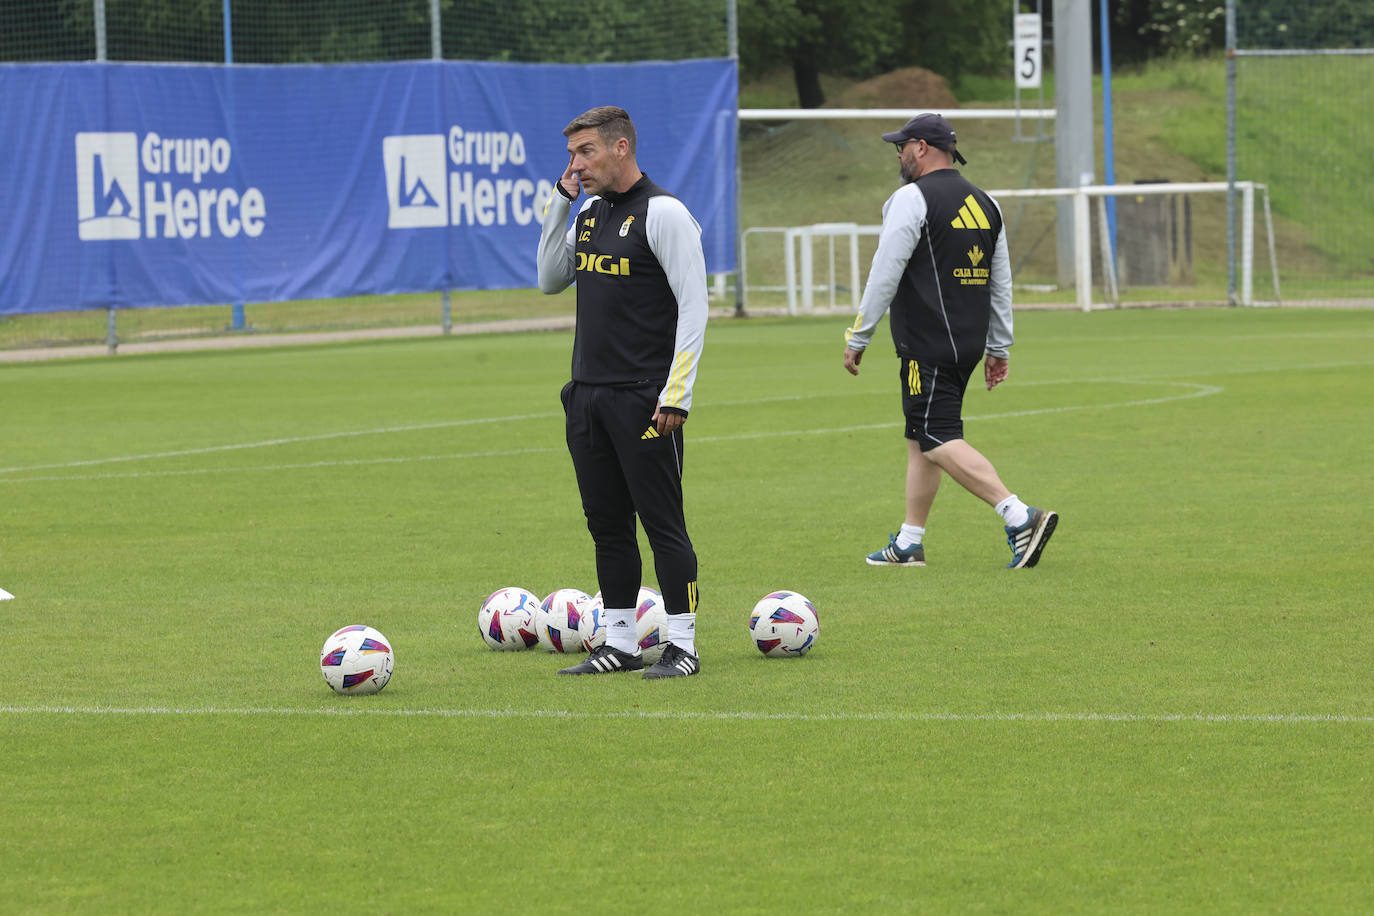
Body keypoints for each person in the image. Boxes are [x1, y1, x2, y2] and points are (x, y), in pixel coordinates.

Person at [841, 113, 1058, 569]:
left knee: (935, 434)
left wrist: (859, 334)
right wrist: (999, 347)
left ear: (921, 147)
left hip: (926, 344)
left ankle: (1019, 516)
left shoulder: (909, 199)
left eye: (901, 146)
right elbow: (1001, 283)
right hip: (968, 343)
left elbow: (885, 273)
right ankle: (909, 541)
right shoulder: (987, 202)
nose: (898, 154)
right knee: (920, 436)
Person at [536, 106, 707, 677]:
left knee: (662, 523)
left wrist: (676, 393)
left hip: (645, 398)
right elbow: (547, 279)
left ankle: (682, 644)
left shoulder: (665, 214)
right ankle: (620, 642)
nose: (575, 164)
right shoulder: (585, 214)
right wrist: (560, 202)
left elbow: (694, 308)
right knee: (606, 523)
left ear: (621, 148)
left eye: (585, 152)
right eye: (570, 154)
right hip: (587, 395)